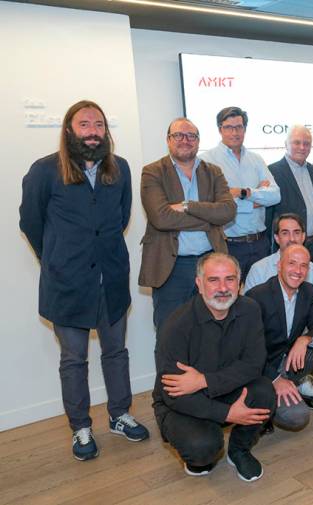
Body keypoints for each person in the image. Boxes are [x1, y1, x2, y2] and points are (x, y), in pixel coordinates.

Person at [19, 100, 149, 461]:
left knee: (116, 352)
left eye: (99, 125)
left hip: (111, 279)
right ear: (69, 130)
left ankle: (119, 415)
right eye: (85, 124)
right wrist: (56, 257)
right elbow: (30, 222)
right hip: (67, 283)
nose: (93, 132)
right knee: (74, 359)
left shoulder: (119, 168)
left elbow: (121, 217)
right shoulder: (45, 171)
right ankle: (80, 427)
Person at [152, 253, 275, 482]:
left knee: (265, 392)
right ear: (199, 284)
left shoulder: (250, 310)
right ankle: (199, 454)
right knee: (203, 447)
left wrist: (204, 380)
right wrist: (227, 413)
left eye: (230, 279)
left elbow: (254, 364)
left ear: (239, 283)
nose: (223, 288)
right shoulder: (176, 325)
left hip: (222, 388)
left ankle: (239, 450)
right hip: (182, 403)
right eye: (213, 280)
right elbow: (173, 394)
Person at [245, 245, 313, 442]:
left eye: (304, 265)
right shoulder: (257, 296)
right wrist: (275, 379)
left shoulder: (307, 291)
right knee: (298, 417)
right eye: (292, 263)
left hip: (290, 361)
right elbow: (248, 351)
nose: (298, 270)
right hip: (263, 369)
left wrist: (304, 339)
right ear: (279, 266)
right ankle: (266, 409)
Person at [139, 117, 236, 331]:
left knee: (212, 330)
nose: (185, 140)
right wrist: (209, 220)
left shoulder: (213, 171)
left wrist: (187, 206)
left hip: (210, 262)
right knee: (170, 332)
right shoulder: (153, 172)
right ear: (168, 140)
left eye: (191, 136)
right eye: (178, 135)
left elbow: (228, 211)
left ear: (198, 141)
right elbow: (161, 218)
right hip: (172, 267)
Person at [199, 106, 280, 281]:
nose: (235, 132)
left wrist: (244, 192)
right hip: (229, 245)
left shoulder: (256, 159)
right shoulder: (206, 160)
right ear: (220, 129)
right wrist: (257, 199)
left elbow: (275, 195)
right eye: (229, 127)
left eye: (239, 127)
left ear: (245, 129)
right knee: (229, 295)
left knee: (263, 294)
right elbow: (213, 205)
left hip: (260, 243)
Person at [267, 125, 313, 293]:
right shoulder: (272, 171)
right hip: (290, 245)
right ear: (286, 144)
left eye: (306, 143)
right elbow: (269, 215)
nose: (302, 147)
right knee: (288, 290)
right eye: (296, 142)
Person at [244, 213, 313, 311]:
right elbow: (248, 311)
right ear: (277, 238)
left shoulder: (311, 267)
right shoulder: (258, 269)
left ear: (303, 237)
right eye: (285, 233)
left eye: (296, 233)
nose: (292, 239)